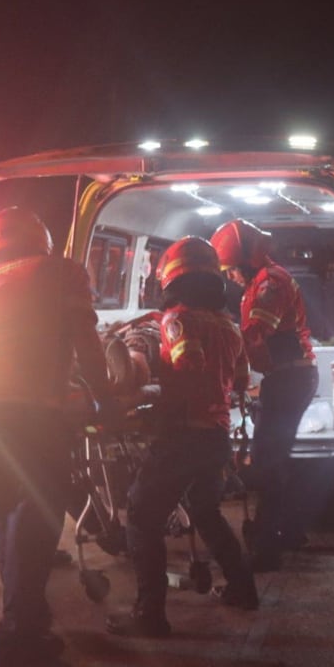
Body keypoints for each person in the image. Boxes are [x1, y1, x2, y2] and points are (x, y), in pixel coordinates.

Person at [0, 207, 115, 667]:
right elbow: (87, 341)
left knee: (6, 520)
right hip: (29, 413)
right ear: (40, 240)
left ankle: (24, 617)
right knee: (38, 515)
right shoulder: (60, 272)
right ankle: (18, 636)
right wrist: (104, 399)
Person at [106, 236, 259, 637]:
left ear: (170, 279)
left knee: (141, 515)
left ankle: (150, 614)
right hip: (216, 438)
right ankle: (244, 589)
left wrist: (154, 390)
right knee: (206, 512)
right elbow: (242, 380)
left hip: (184, 437)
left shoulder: (176, 320)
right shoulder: (229, 327)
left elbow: (188, 365)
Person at [211, 218, 317, 572]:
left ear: (245, 260)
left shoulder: (269, 284)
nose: (229, 277)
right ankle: (290, 531)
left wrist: (217, 342)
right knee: (277, 458)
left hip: (290, 379)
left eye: (230, 269)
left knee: (267, 463)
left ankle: (268, 547)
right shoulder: (262, 281)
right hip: (285, 377)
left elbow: (255, 334)